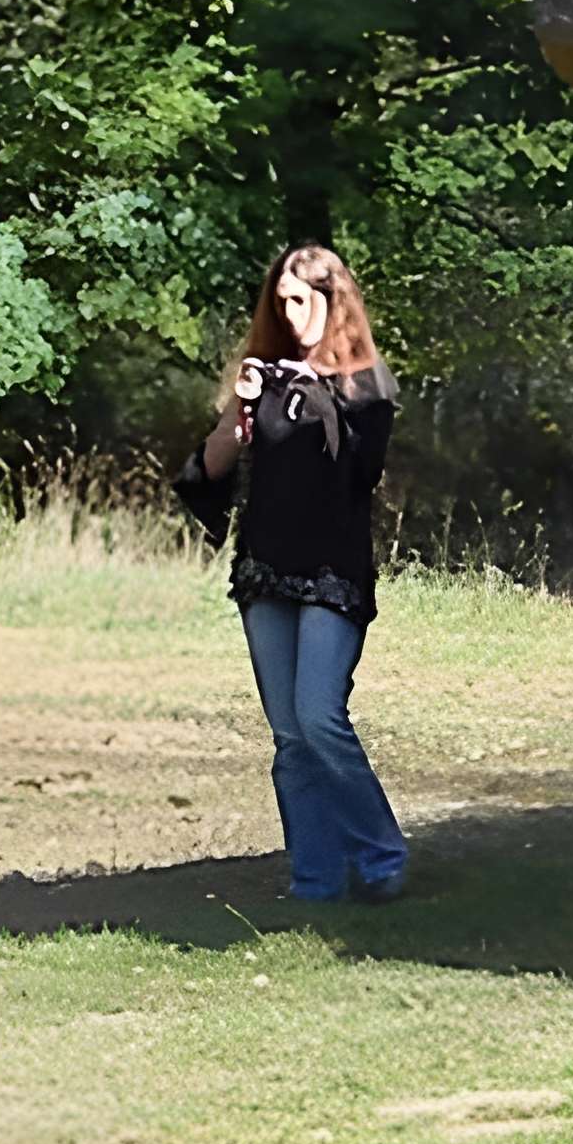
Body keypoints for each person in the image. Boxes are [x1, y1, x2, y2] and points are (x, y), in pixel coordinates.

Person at [172, 244, 410, 904]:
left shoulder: (367, 383)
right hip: (266, 570)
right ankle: (316, 880)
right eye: (281, 302)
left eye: (302, 301)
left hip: (332, 573)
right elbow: (205, 477)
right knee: (290, 737)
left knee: (319, 714)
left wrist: (314, 386)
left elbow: (360, 469)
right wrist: (240, 411)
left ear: (334, 301)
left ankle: (382, 856)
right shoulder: (262, 381)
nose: (290, 314)